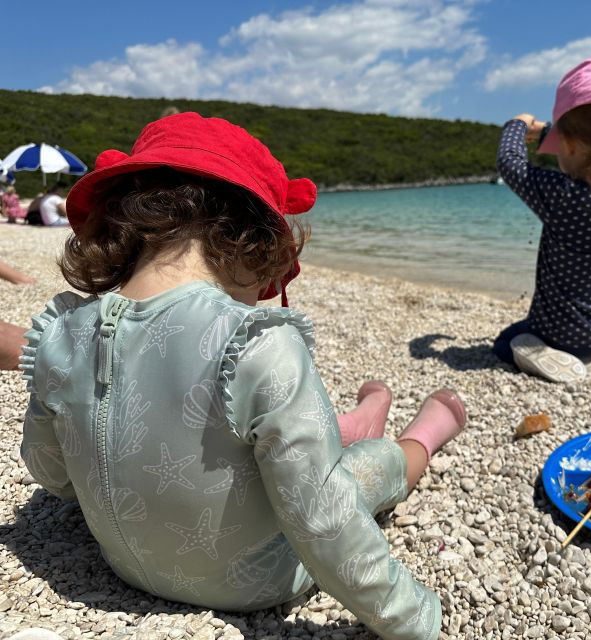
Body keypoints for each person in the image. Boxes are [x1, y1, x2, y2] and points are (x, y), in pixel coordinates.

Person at [19, 113, 465, 640]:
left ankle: (347, 421)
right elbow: (323, 522)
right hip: (255, 583)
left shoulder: (63, 332)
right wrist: (415, 619)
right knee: (371, 466)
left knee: (280, 441)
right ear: (251, 239)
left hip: (122, 562)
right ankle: (424, 433)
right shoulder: (254, 340)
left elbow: (52, 474)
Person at [493, 58, 591, 383]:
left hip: (564, 335)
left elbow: (508, 161)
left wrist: (517, 125)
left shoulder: (563, 195)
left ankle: (550, 357)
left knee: (506, 341)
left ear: (570, 144)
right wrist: (552, 132)